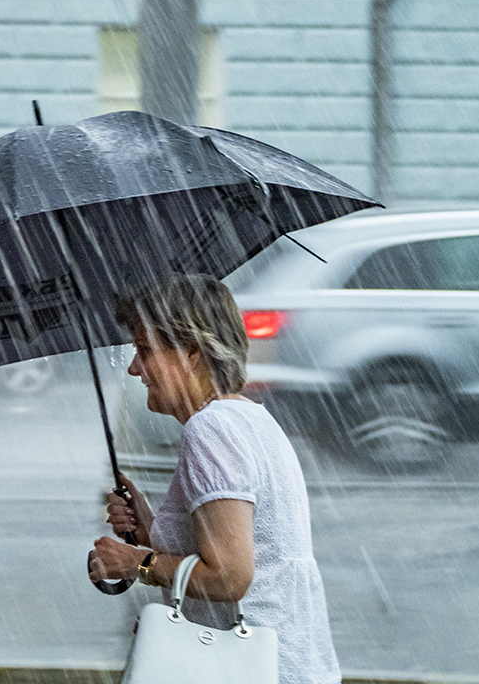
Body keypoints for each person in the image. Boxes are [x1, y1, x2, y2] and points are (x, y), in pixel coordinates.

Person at [87, 273, 340, 684]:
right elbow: (237, 551)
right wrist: (151, 526)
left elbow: (228, 576)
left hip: (244, 668)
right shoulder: (250, 418)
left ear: (192, 352)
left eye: (146, 350)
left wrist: (135, 562)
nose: (134, 368)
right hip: (286, 663)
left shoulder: (211, 430)